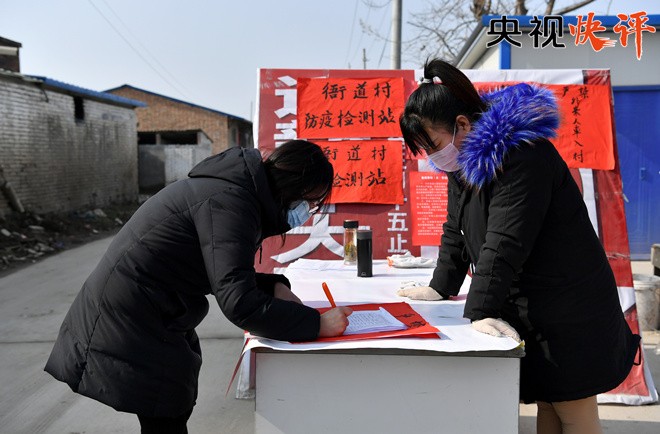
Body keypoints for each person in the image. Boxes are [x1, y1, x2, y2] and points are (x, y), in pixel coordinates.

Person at [396, 59, 639, 434]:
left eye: (433, 145)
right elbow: (456, 229)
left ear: (462, 124)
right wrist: (440, 286)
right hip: (533, 302)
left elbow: (505, 239)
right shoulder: (464, 160)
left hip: (568, 305)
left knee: (573, 409)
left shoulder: (522, 155)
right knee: (548, 401)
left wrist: (481, 310)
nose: (432, 157)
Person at [45, 140, 353, 433]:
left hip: (151, 308)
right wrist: (317, 324)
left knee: (171, 403)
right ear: (292, 188)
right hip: (130, 314)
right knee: (165, 410)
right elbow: (239, 303)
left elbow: (220, 270)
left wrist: (273, 287)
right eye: (311, 202)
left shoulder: (235, 192)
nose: (308, 211)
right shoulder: (231, 202)